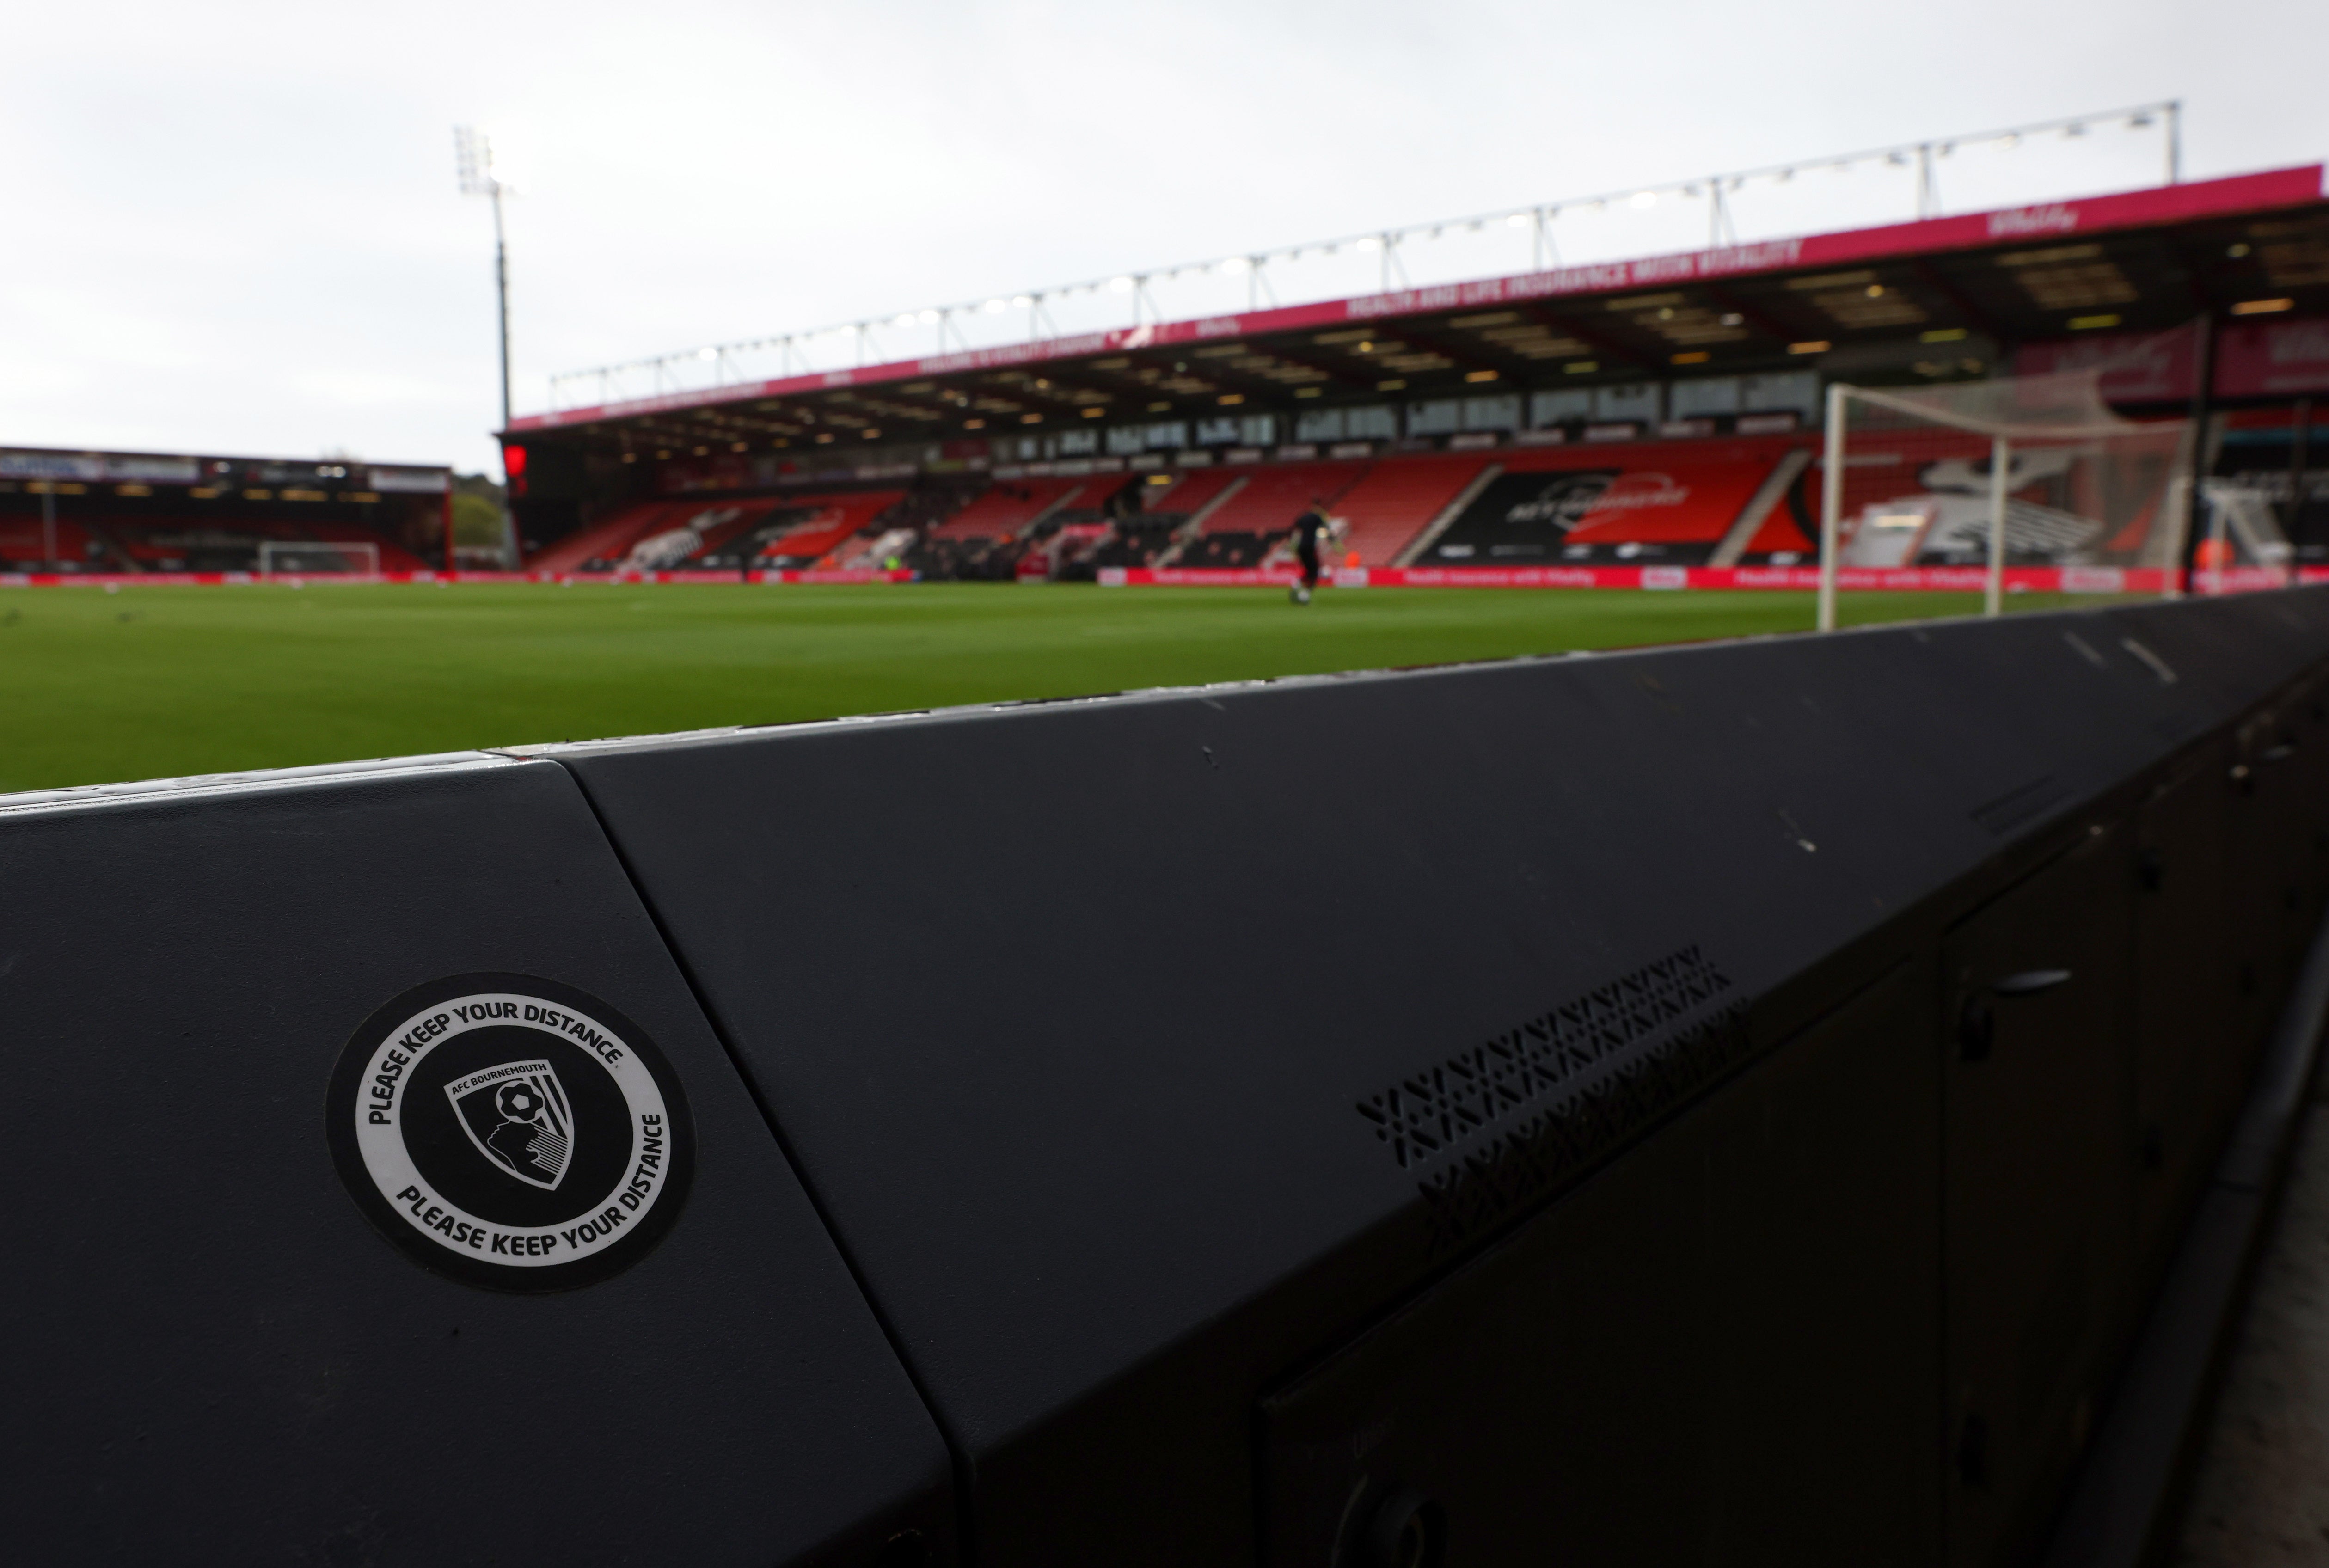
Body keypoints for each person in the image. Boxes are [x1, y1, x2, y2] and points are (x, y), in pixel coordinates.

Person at [1288, 499, 1335, 605]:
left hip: (1301, 549)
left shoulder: (1303, 517)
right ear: (1319, 506)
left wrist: (1293, 549)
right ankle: (1304, 596)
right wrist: (1334, 543)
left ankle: (1296, 586)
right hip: (1310, 548)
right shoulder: (1318, 518)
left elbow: (1295, 532)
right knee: (1314, 573)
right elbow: (1327, 532)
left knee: (1309, 572)